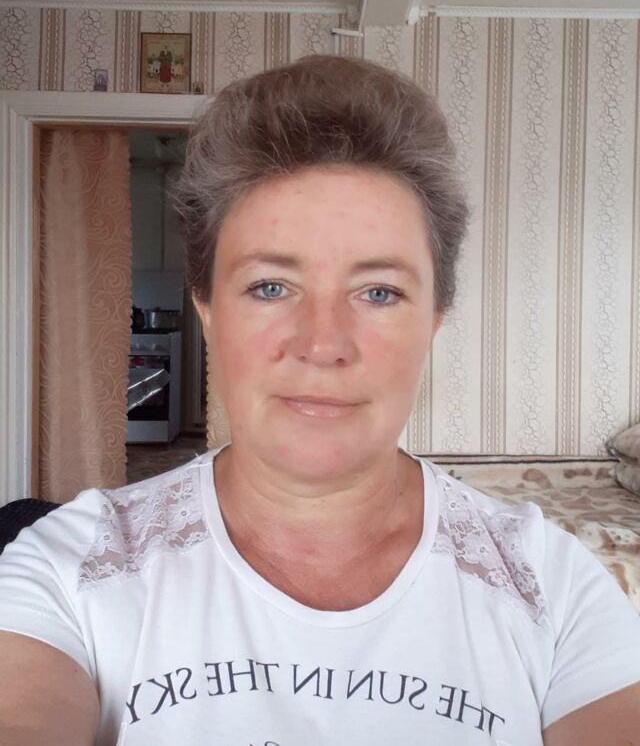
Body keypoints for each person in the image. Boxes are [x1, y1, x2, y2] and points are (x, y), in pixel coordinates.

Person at [0, 55, 639, 746]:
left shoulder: (554, 587)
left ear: (434, 319)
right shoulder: (66, 567)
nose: (323, 344)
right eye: (271, 287)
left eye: (379, 292)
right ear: (208, 311)